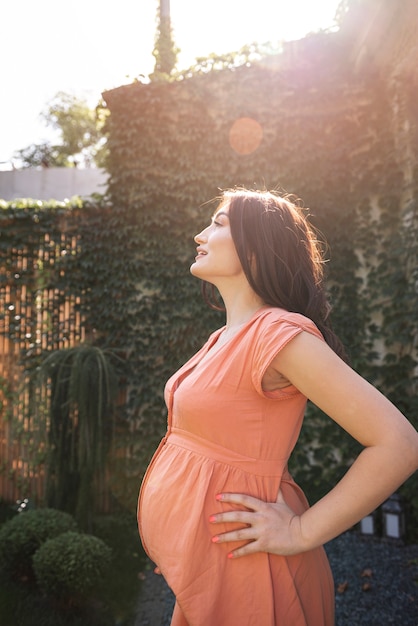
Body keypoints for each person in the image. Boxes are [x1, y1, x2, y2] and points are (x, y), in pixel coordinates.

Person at [137, 188, 418, 626]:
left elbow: (398, 444)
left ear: (258, 243)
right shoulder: (223, 337)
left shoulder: (277, 334)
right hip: (212, 562)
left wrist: (299, 531)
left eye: (219, 222)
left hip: (252, 568)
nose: (199, 234)